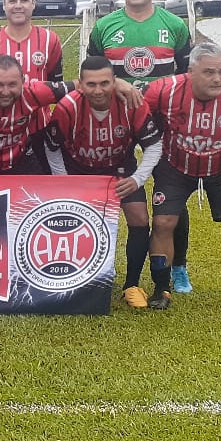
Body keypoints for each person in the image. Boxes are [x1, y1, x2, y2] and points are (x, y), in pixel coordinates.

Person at [87, 0, 195, 293]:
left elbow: (187, 74)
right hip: (116, 116)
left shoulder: (174, 25)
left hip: (163, 118)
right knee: (111, 183)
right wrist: (118, 84)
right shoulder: (105, 26)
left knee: (170, 195)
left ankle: (178, 266)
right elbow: (92, 68)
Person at [143, 43, 221, 311]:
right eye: (209, 72)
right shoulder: (163, 90)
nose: (218, 78)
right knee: (164, 221)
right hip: (174, 164)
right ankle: (161, 289)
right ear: (190, 72)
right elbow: (137, 122)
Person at [44, 56, 163, 308]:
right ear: (81, 85)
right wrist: (64, 182)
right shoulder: (68, 107)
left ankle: (131, 285)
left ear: (114, 82)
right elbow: (51, 147)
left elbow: (154, 146)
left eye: (104, 83)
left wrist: (137, 179)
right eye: (91, 84)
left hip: (120, 171)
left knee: (139, 218)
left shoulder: (131, 103)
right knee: (69, 222)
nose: (98, 90)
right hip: (79, 172)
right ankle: (71, 281)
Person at [0, 0, 64, 173]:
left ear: (33, 4)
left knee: (38, 191)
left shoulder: (51, 40)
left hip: (37, 128)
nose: (18, 6)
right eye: (12, 1)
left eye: (24, 0)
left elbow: (56, 86)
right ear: (4, 6)